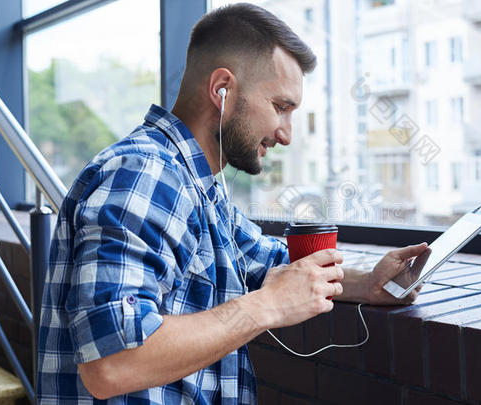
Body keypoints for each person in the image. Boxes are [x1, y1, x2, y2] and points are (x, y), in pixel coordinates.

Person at [37, 3, 428, 403]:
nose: (286, 134)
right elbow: (112, 364)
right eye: (281, 107)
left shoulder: (200, 186)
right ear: (222, 89)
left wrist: (369, 283)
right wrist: (268, 306)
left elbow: (271, 262)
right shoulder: (146, 174)